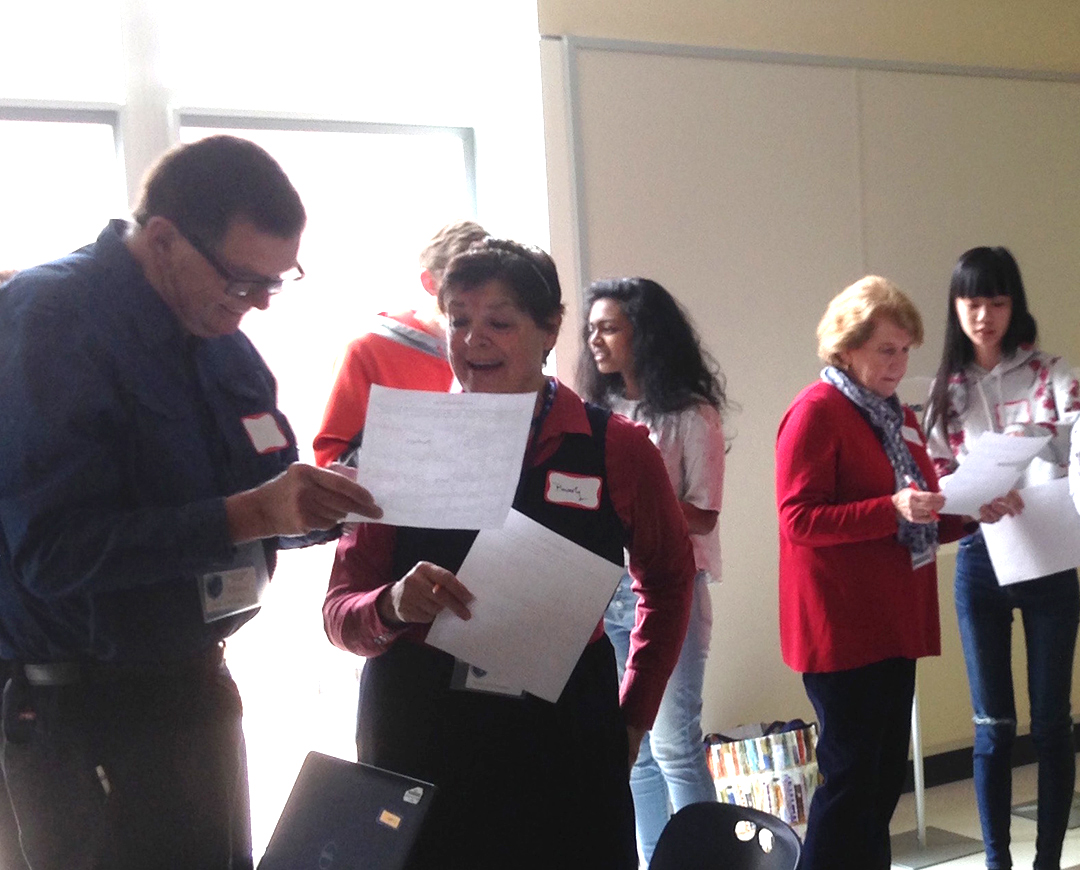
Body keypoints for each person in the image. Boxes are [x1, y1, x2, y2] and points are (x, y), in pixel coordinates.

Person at [0, 135, 381, 870]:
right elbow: (52, 551)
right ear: (165, 238)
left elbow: (264, 483)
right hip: (80, 715)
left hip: (193, 690)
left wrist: (325, 502)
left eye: (279, 282)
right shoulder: (50, 319)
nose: (259, 304)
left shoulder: (220, 337)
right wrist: (252, 515)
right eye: (244, 280)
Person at [323, 238, 696, 870]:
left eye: (499, 321)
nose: (474, 340)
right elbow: (339, 614)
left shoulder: (618, 449)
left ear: (550, 328)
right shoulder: (402, 443)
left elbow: (669, 579)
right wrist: (391, 605)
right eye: (459, 321)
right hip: (424, 729)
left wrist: (633, 715)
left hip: (563, 730)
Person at [775, 275, 972, 870]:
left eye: (906, 349)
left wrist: (975, 512)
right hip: (843, 625)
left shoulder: (897, 416)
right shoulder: (817, 412)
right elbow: (799, 519)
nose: (899, 361)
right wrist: (888, 509)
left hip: (892, 619)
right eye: (887, 349)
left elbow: (923, 511)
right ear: (847, 345)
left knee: (881, 785)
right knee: (852, 782)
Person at [924, 246, 1080, 870]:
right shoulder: (945, 391)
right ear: (956, 308)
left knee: (1051, 722)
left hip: (1046, 553)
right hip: (980, 557)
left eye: (996, 301)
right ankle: (996, 862)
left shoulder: (1050, 374)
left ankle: (1048, 860)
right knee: (991, 724)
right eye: (971, 302)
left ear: (1014, 306)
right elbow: (936, 478)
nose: (983, 315)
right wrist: (964, 501)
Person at [579, 276, 727, 863]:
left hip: (671, 587)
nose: (595, 340)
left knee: (675, 746)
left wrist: (641, 505)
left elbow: (705, 515)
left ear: (647, 335)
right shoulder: (597, 413)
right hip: (607, 590)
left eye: (609, 328)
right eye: (591, 329)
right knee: (629, 750)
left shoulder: (693, 415)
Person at [312, 219, 488, 466]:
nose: (478, 301)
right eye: (466, 286)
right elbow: (331, 463)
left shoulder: (492, 349)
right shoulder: (367, 350)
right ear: (430, 283)